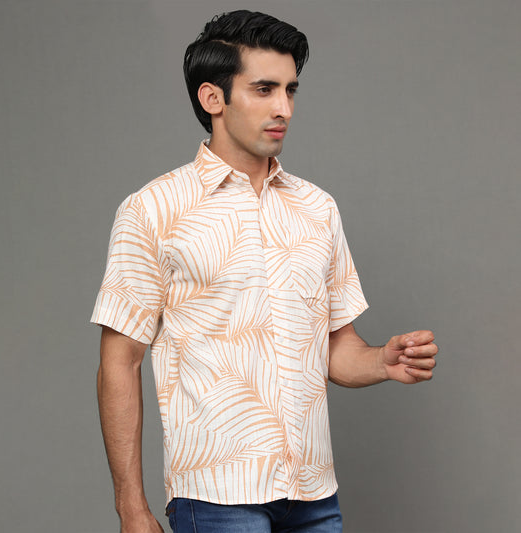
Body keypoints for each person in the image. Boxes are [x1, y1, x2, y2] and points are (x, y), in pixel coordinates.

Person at [91, 10, 437, 533]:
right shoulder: (153, 210)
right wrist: (131, 506)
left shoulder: (317, 208)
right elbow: (119, 363)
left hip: (314, 495)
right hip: (216, 497)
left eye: (290, 90)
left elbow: (335, 349)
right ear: (213, 98)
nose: (284, 108)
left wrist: (381, 361)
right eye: (264, 89)